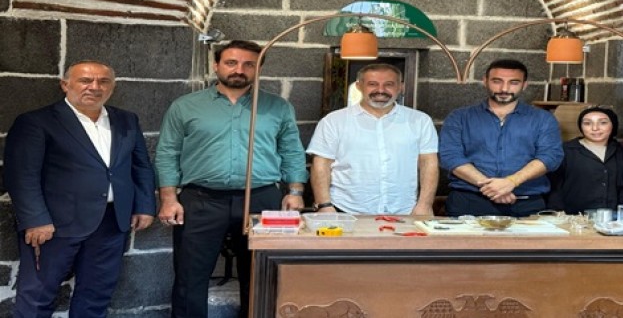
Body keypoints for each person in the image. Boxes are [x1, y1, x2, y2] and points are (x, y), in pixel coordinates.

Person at [154, 40, 307, 318]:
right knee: (190, 276)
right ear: (216, 65)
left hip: (262, 199)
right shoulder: (186, 106)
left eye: (249, 64)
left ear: (259, 69)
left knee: (262, 274)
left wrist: (295, 191)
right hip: (201, 200)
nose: (239, 70)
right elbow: (167, 152)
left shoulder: (278, 107)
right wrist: (168, 198)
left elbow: (291, 151)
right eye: (231, 63)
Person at [3, 60, 156, 318]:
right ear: (65, 85)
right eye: (85, 80)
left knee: (97, 295)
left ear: (112, 87)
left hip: (111, 222)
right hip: (54, 225)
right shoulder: (37, 122)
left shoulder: (126, 120)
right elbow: (21, 175)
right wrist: (35, 220)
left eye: (103, 82)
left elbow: (141, 165)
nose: (94, 87)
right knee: (38, 297)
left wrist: (144, 206)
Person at [307, 63, 439, 215]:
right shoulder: (334, 121)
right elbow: (321, 164)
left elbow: (428, 163)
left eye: (389, 84)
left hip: (405, 211)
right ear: (359, 86)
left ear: (400, 87)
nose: (381, 90)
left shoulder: (420, 121)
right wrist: (324, 205)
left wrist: (425, 205)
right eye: (372, 84)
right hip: (346, 210)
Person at [439, 59, 563, 217]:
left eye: (514, 82)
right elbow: (450, 156)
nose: (504, 89)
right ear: (485, 81)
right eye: (497, 81)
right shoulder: (459, 117)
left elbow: (550, 157)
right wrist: (492, 188)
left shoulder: (543, 119)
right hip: (469, 202)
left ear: (524, 85)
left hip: (525, 203)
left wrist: (511, 182)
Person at [547, 106, 623, 214]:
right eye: (587, 123)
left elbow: (622, 187)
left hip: (612, 217)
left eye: (603, 123)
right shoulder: (565, 151)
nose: (595, 128)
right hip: (574, 217)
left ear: (613, 125)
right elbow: (554, 188)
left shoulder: (620, 150)